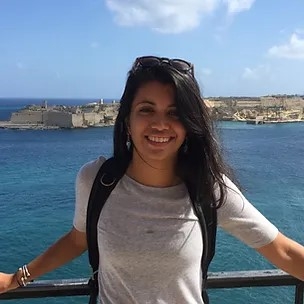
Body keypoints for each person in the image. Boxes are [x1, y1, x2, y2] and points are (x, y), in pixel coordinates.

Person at [0, 56, 304, 304]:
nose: (161, 123)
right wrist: (18, 278)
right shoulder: (94, 180)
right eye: (147, 110)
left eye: (174, 113)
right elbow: (78, 239)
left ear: (189, 125)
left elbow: (283, 251)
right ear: (127, 121)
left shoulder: (208, 189)